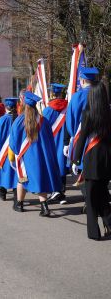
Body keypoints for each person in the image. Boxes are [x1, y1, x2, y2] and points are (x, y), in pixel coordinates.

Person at [9, 91, 61, 217]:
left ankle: (19, 204)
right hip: (42, 155)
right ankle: (44, 207)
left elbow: (14, 143)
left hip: (26, 156)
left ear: (23, 104)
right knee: (40, 179)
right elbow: (50, 139)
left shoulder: (19, 121)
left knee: (22, 178)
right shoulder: (44, 121)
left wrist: (15, 153)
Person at [72, 82, 111, 240]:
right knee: (103, 194)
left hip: (92, 158)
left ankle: (94, 232)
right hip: (107, 158)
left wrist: (76, 159)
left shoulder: (87, 113)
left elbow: (82, 138)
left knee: (91, 197)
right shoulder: (109, 112)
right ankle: (109, 224)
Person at [64, 68, 99, 213]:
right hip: (99, 138)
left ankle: (89, 200)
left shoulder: (77, 97)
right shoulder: (100, 94)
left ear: (83, 80)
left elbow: (70, 120)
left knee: (80, 170)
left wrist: (70, 138)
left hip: (82, 138)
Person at [43, 83, 68, 204]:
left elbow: (42, 127)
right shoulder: (67, 108)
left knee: (52, 167)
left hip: (51, 142)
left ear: (52, 94)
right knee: (62, 166)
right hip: (64, 142)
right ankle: (62, 194)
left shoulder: (47, 110)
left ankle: (54, 192)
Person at [0, 98, 18, 201]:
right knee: (16, 172)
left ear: (6, 107)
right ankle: (17, 194)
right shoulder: (20, 118)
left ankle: (2, 191)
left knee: (4, 171)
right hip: (16, 151)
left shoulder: (1, 120)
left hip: (4, 151)